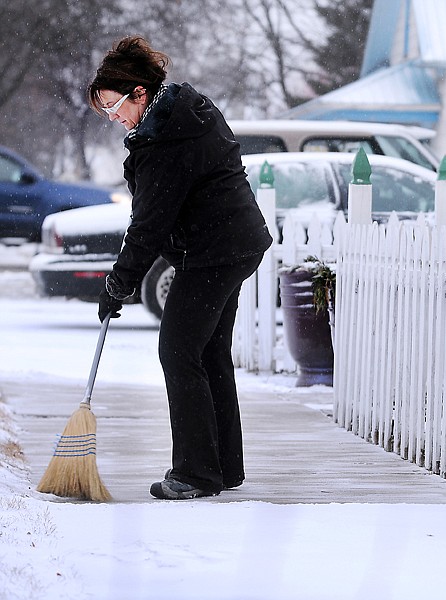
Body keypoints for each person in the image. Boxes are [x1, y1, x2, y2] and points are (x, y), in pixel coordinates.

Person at [87, 36, 272, 500]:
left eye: (114, 107)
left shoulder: (167, 137)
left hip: (214, 252)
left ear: (139, 93)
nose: (114, 118)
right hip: (233, 244)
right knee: (207, 353)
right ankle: (222, 468)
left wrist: (119, 283)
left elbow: (149, 222)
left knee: (178, 350)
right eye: (106, 111)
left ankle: (196, 472)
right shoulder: (183, 113)